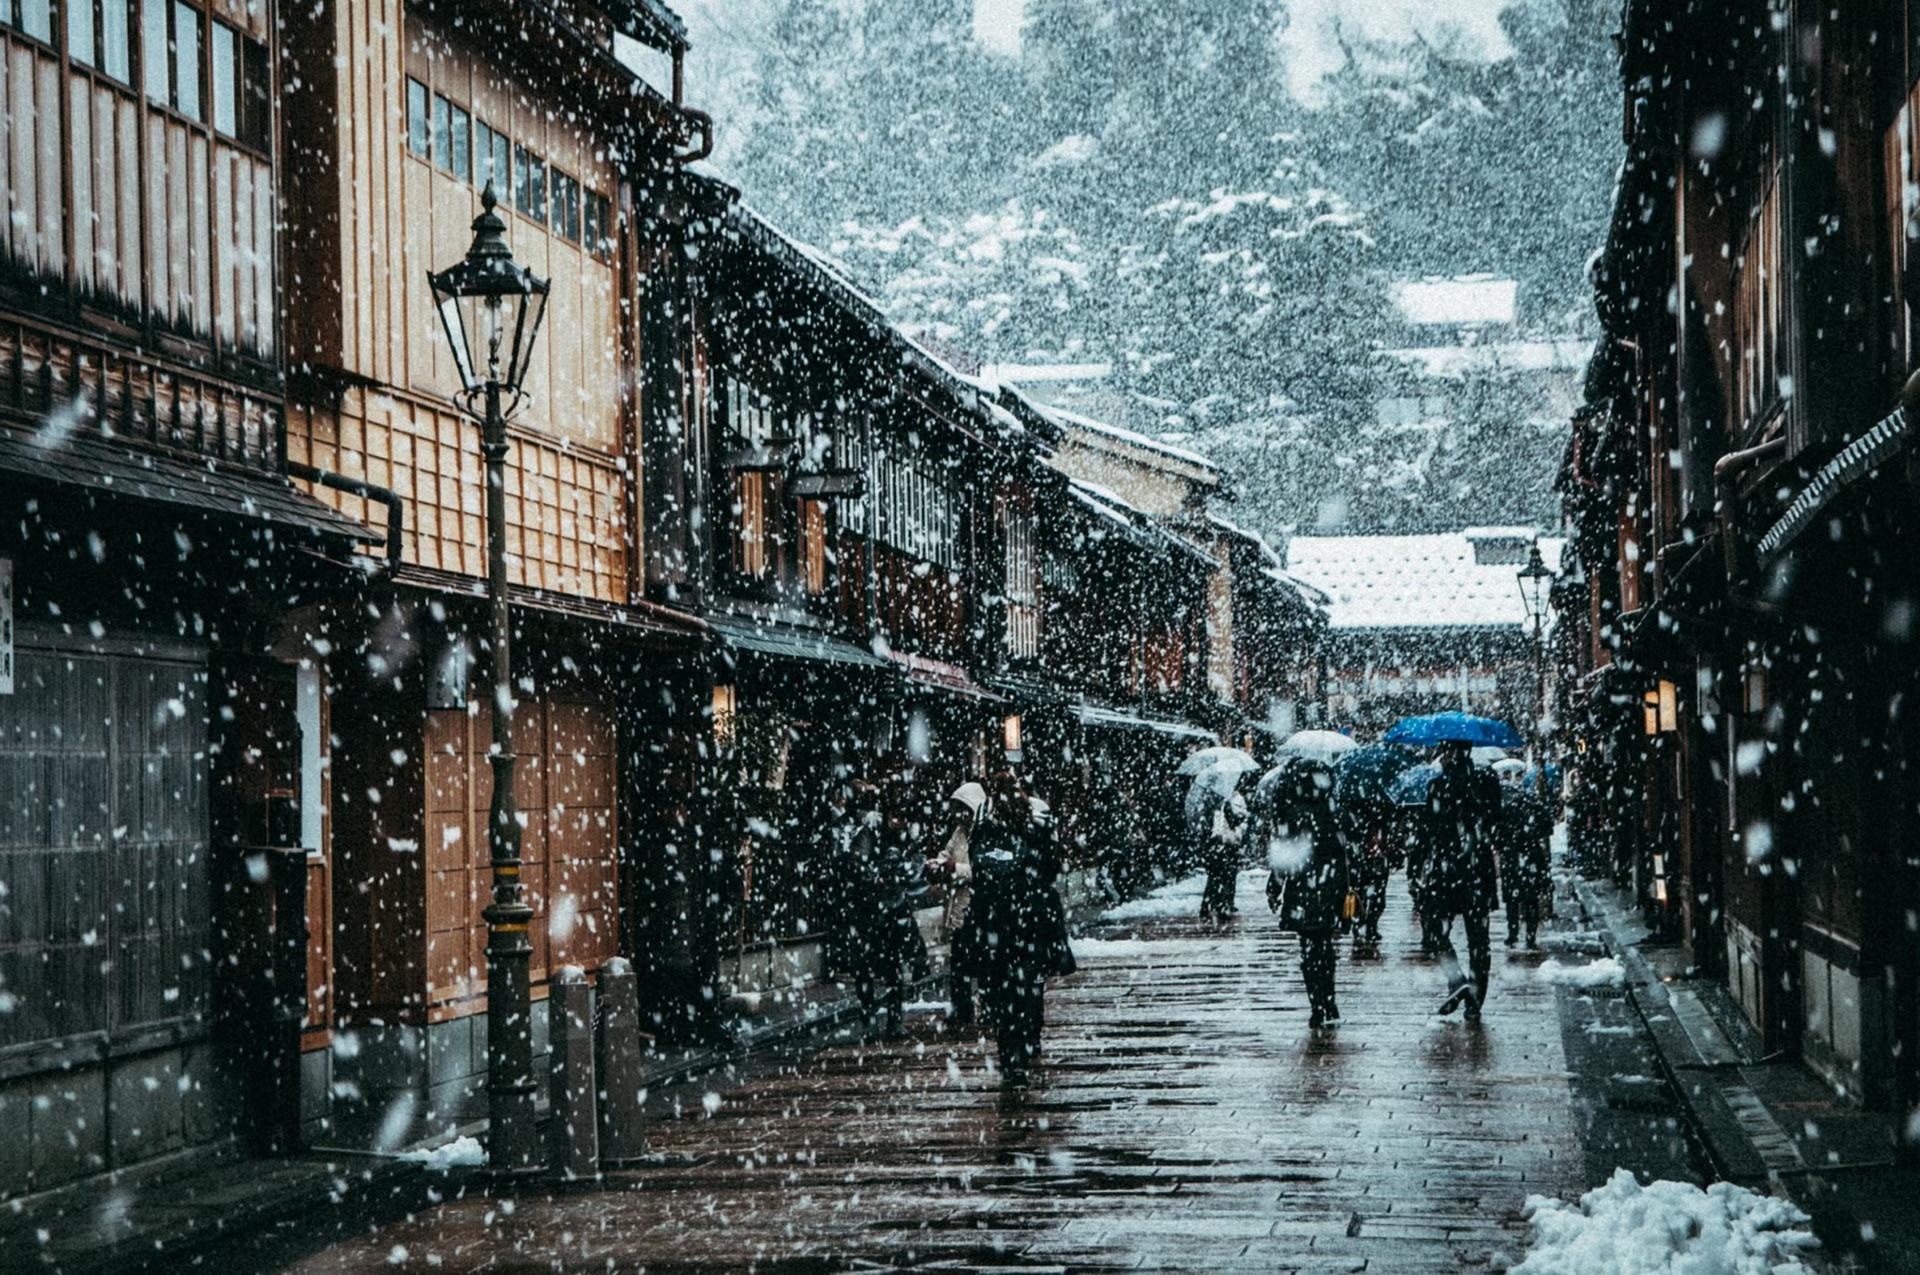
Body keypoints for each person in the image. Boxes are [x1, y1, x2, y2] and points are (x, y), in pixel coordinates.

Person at [951, 771, 1075, 1084]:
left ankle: (1012, 1059)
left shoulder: (985, 824)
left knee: (1003, 990)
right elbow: (1052, 867)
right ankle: (1029, 1036)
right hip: (1031, 918)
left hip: (995, 920)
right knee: (1029, 983)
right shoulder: (1036, 823)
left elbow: (979, 870)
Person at [836, 780, 930, 1038]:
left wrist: (906, 874)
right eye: (895, 816)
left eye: (902, 817)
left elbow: (915, 863)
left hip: (894, 906)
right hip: (868, 909)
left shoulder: (906, 836)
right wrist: (874, 877)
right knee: (865, 968)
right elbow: (856, 861)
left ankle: (895, 1020)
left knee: (895, 966)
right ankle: (869, 1020)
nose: (898, 822)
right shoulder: (870, 832)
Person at [1264, 759, 1351, 1027]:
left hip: (1302, 889)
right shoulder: (1332, 812)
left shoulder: (1291, 814)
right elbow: (1342, 855)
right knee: (1325, 946)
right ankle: (1329, 999)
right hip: (1329, 887)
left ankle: (1317, 1003)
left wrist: (1275, 887)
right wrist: (1345, 890)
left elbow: (1284, 858)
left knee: (1309, 948)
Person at [1420, 741, 1502, 1019]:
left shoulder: (1437, 787)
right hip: (1478, 869)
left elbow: (1428, 830)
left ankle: (1456, 979)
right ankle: (1474, 1002)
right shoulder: (1486, 783)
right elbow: (1496, 824)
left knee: (1436, 929)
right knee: (1479, 939)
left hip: (1447, 870)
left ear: (1448, 754)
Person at [925, 781, 987, 1027]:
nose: (961, 814)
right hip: (959, 907)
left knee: (982, 962)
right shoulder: (960, 833)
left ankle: (987, 1007)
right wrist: (937, 864)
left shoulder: (985, 831)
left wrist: (956, 870)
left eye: (964, 808)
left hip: (977, 906)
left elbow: (981, 869)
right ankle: (962, 1009)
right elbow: (947, 853)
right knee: (959, 964)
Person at [1498, 781, 1554, 949]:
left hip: (1512, 857)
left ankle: (1513, 933)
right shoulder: (1534, 808)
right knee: (1531, 899)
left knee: (1512, 899)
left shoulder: (1506, 810)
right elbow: (1547, 828)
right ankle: (1530, 935)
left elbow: (1498, 835)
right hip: (1531, 857)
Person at [1199, 791, 1248, 922]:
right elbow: (1233, 822)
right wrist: (1240, 818)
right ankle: (1222, 907)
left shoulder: (1209, 806)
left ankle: (1206, 906)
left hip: (1213, 846)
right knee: (1226, 877)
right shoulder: (1226, 805)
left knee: (1213, 878)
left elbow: (1205, 829)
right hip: (1225, 845)